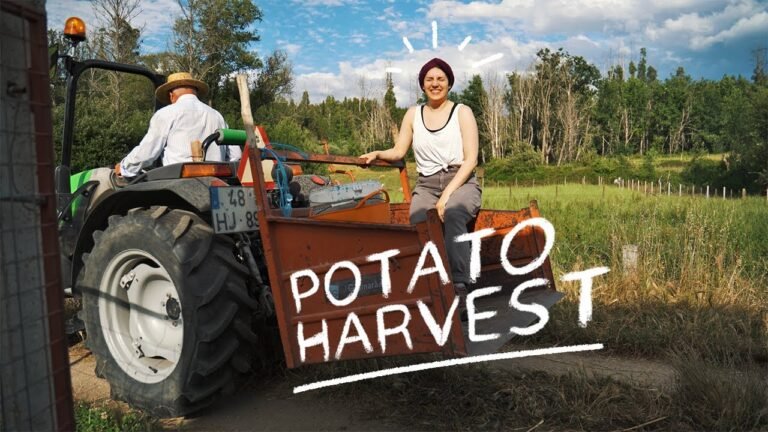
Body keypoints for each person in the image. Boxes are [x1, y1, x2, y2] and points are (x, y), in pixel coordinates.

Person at [360, 58, 482, 297]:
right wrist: (378, 153)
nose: (435, 84)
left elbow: (471, 160)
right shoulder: (413, 114)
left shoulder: (462, 112)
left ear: (449, 84)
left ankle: (458, 284)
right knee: (418, 219)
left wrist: (446, 196)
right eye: (429, 79)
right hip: (426, 184)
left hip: (461, 181)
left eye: (440, 79)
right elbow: (398, 151)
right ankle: (428, 281)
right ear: (422, 85)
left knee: (454, 212)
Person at [115, 72, 241, 178]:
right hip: (218, 181)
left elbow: (148, 151)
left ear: (171, 95)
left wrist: (125, 166)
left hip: (179, 185)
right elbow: (235, 155)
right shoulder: (217, 115)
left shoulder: (166, 113)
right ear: (195, 92)